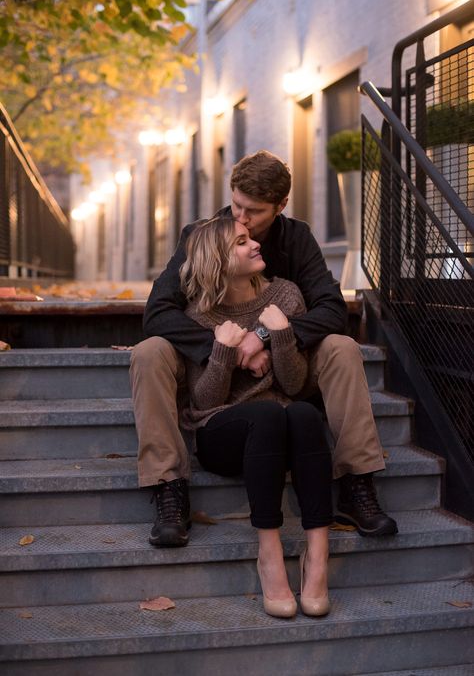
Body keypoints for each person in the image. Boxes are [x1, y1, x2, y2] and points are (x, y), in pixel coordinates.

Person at [130, 149, 398, 550]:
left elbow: (331, 309)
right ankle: (169, 487)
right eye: (236, 204)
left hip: (287, 366)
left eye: (253, 211)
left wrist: (266, 337)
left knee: (342, 347)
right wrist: (227, 347)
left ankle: (356, 483)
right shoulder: (201, 235)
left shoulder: (296, 239)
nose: (240, 218)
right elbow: (158, 312)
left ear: (280, 206)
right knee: (149, 351)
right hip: (214, 363)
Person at [176, 216, 332, 618]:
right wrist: (224, 352)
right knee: (265, 415)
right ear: (217, 261)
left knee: (303, 414)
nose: (255, 245)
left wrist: (280, 335)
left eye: (251, 238)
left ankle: (317, 553)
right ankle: (270, 553)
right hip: (221, 429)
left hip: (279, 425)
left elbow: (295, 384)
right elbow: (205, 398)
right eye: (241, 243)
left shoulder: (285, 295)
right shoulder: (198, 315)